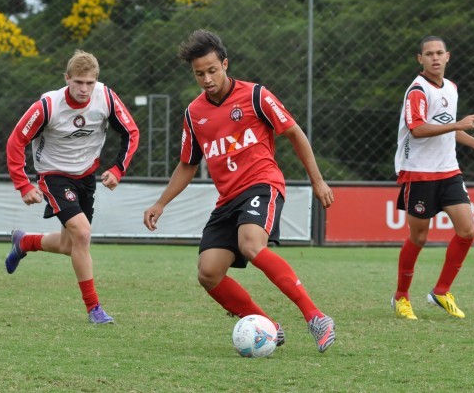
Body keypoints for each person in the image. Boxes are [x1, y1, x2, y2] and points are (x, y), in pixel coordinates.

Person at [143, 29, 336, 353]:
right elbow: (188, 164)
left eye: (212, 70)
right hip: (227, 199)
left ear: (225, 64)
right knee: (209, 272)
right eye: (199, 73)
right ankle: (267, 326)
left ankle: (316, 317)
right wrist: (161, 202)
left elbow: (294, 133)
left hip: (262, 183)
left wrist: (317, 180)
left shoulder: (256, 96)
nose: (206, 79)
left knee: (250, 244)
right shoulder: (194, 113)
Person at [5, 50, 140, 324]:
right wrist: (23, 184)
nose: (84, 89)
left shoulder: (106, 97)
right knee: (83, 233)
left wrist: (117, 169)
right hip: (54, 175)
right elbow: (16, 140)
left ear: (96, 81)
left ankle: (24, 241)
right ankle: (94, 309)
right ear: (67, 78)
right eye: (78, 82)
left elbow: (131, 132)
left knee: (71, 244)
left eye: (89, 83)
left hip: (86, 176)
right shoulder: (48, 106)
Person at [392, 36, 474, 320]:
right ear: (420, 59)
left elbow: (447, 128)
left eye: (439, 53)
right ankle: (401, 296)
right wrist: (458, 124)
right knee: (420, 237)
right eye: (429, 54)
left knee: (467, 231)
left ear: (448, 56)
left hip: (449, 170)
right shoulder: (417, 90)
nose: (435, 58)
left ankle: (441, 291)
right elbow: (417, 130)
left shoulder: (450, 88)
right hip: (418, 173)